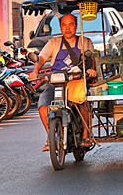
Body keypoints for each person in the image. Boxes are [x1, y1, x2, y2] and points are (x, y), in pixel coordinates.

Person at [29, 13, 97, 152]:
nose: (67, 28)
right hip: (56, 82)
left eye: (71, 24)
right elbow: (41, 59)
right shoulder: (54, 42)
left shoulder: (85, 41)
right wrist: (35, 71)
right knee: (42, 106)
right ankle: (50, 138)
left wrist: (91, 70)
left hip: (76, 81)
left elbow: (91, 60)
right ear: (60, 27)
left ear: (76, 26)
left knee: (82, 102)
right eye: (64, 25)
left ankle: (86, 133)